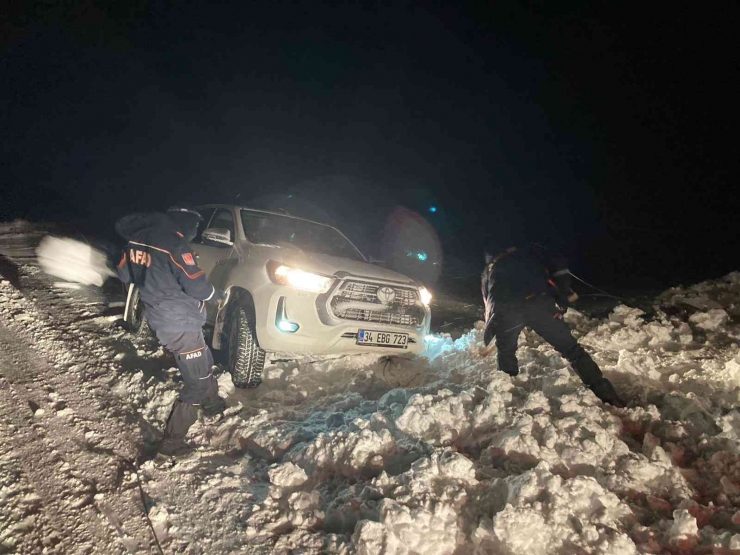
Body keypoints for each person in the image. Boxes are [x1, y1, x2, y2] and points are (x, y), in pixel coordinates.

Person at [115, 206, 226, 456]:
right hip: (179, 322)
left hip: (161, 316)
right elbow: (196, 285)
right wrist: (215, 295)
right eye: (195, 227)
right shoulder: (174, 244)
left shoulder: (136, 240)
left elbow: (124, 274)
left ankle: (213, 403)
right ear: (184, 223)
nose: (195, 232)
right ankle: (172, 443)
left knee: (204, 357)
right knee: (195, 383)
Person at [481, 242, 625, 407]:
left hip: (506, 311)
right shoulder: (531, 255)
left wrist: (493, 329)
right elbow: (558, 271)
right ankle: (607, 394)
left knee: (506, 353)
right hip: (539, 304)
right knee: (573, 350)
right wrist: (564, 297)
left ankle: (506, 402)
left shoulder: (489, 270)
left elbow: (488, 304)